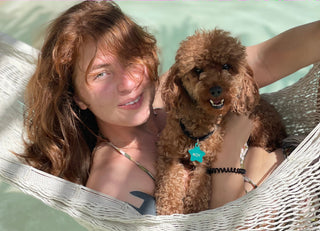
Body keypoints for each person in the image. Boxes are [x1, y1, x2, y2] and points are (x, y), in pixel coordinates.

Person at [19, 1, 320, 215]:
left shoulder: (173, 91)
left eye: (130, 59)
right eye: (101, 73)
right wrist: (246, 152)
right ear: (78, 96)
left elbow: (265, 60)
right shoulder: (114, 185)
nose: (128, 83)